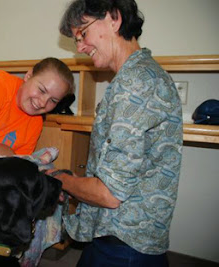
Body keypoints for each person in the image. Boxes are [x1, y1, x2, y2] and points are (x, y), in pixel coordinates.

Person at [52, 0, 183, 266]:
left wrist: (60, 180)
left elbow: (109, 194)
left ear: (113, 18)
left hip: (125, 246)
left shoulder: (135, 84)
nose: (80, 47)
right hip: (118, 237)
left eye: (83, 34)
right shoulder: (137, 76)